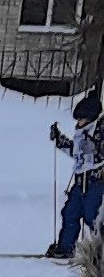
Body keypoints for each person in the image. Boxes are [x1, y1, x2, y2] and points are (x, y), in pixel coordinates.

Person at [47, 86, 103, 258]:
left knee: (92, 217)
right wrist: (60, 140)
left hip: (96, 182)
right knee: (70, 213)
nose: (78, 123)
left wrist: (96, 146)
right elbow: (77, 153)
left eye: (81, 119)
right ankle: (65, 248)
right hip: (80, 182)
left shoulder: (100, 131)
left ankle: (99, 252)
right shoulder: (81, 133)